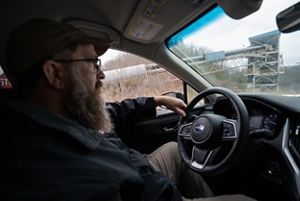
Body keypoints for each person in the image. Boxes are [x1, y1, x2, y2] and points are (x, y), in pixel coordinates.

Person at [0, 18, 255, 201]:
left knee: (174, 150)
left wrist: (156, 100)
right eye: (91, 63)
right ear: (54, 73)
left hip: (141, 173)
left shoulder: (66, 115)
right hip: (149, 187)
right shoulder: (52, 170)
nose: (101, 74)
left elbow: (113, 111)